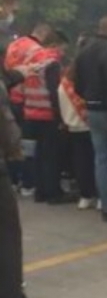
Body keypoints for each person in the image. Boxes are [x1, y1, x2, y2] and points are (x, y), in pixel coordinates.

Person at [0, 0, 64, 298]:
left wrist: (13, 77)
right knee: (5, 233)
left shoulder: (13, 48)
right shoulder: (39, 52)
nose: (11, 16)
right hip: (40, 118)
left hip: (27, 116)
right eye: (8, 8)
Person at [74, 15, 107, 221]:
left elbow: (76, 81)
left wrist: (87, 97)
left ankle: (106, 205)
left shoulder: (83, 50)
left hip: (92, 108)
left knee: (101, 157)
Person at [4, 22, 50, 197]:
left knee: (11, 141)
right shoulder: (38, 51)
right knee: (27, 145)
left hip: (9, 96)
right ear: (44, 35)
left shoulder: (14, 45)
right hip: (26, 101)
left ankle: (14, 179)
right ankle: (28, 182)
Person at [22, 28, 67, 204]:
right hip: (47, 113)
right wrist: (60, 116)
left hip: (31, 111)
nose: (63, 53)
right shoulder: (52, 62)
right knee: (51, 155)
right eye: (62, 49)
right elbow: (54, 91)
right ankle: (53, 192)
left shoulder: (31, 58)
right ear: (55, 45)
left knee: (39, 153)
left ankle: (40, 191)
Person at [58, 61, 98, 210]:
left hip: (72, 128)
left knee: (80, 164)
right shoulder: (82, 87)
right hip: (87, 127)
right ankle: (99, 195)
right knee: (94, 162)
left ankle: (85, 196)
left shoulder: (62, 86)